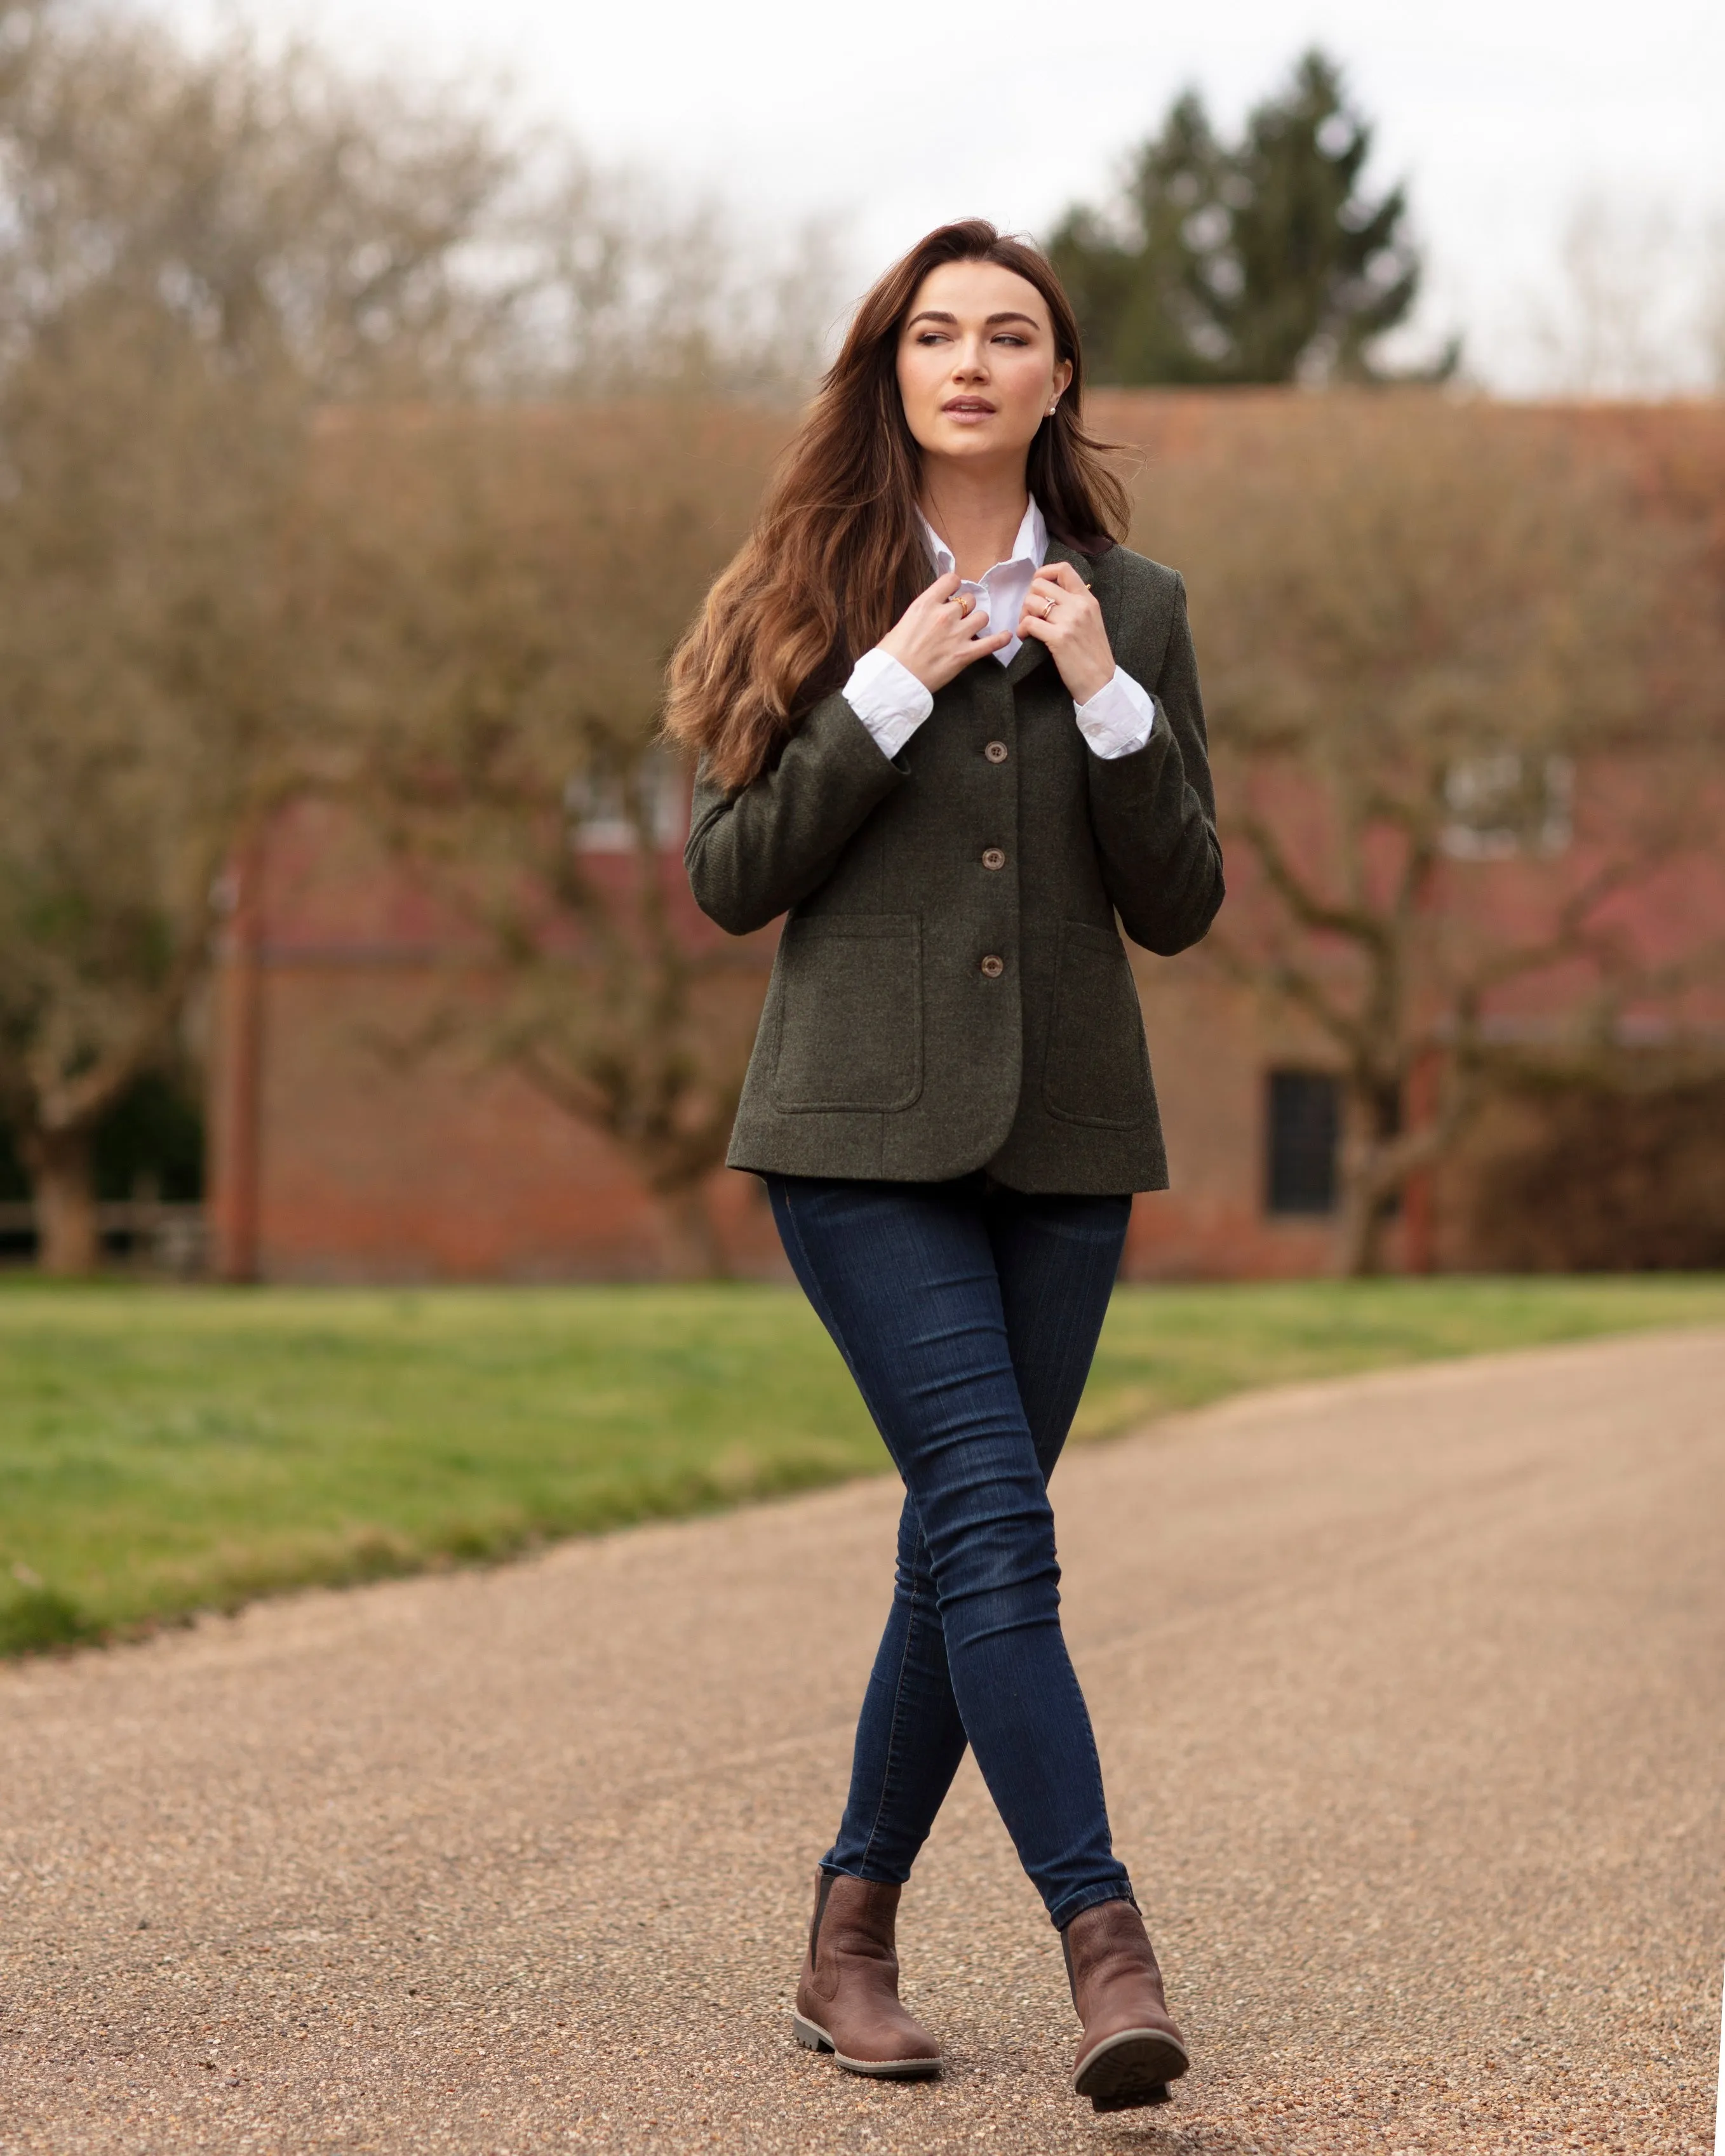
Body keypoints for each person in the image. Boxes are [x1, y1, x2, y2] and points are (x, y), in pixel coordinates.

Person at [665, 219, 1223, 2115]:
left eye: (1010, 335)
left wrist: (1106, 701)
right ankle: (1107, 1949)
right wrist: (886, 689)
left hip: (1065, 1140)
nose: (970, 361)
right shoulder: (800, 585)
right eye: (934, 333)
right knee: (995, 1519)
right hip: (855, 1139)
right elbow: (732, 873)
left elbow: (1183, 902)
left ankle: (847, 1938)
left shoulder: (1133, 606)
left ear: (1060, 380)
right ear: (888, 368)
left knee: (950, 1548)